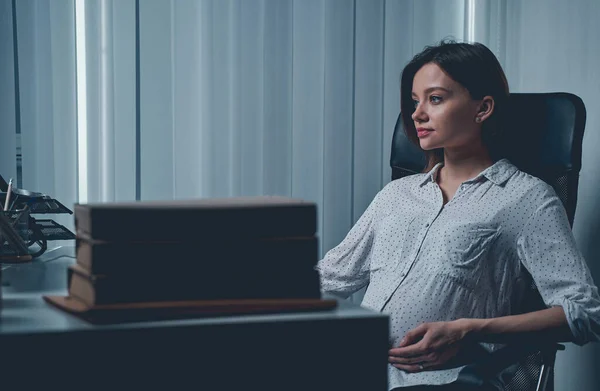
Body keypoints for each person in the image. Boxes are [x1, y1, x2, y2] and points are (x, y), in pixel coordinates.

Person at [316, 40, 600, 391]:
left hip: (445, 381)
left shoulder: (525, 198)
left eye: (435, 99)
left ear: (482, 108)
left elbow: (584, 314)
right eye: (415, 101)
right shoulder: (395, 196)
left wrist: (467, 328)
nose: (418, 113)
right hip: (354, 369)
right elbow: (328, 279)